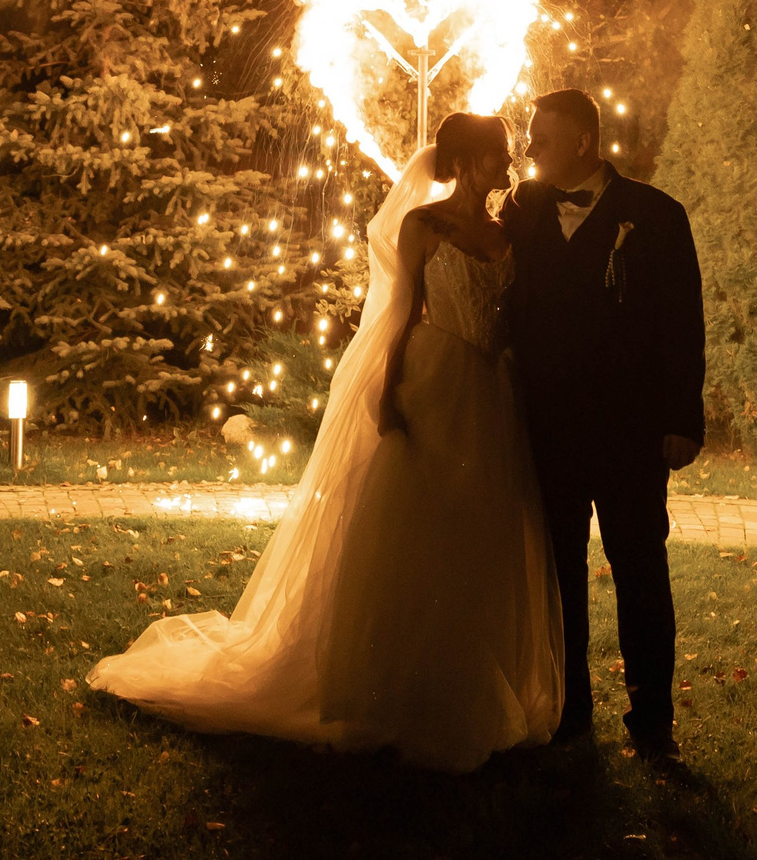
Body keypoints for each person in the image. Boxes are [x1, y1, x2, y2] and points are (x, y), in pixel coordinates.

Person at [87, 113, 562, 772]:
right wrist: (389, 392)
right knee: (420, 533)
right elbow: (400, 314)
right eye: (495, 156)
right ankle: (398, 689)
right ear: (464, 161)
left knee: (482, 536)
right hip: (436, 380)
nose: (507, 166)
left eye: (507, 156)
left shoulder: (507, 230)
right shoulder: (423, 226)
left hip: (492, 393)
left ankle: (472, 689)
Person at [501, 88, 705, 760]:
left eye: (542, 138)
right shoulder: (525, 209)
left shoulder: (657, 215)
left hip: (629, 432)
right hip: (548, 429)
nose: (530, 149)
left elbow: (682, 323)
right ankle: (570, 710)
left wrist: (683, 417)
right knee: (558, 574)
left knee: (640, 570)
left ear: (583, 142)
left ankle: (652, 722)